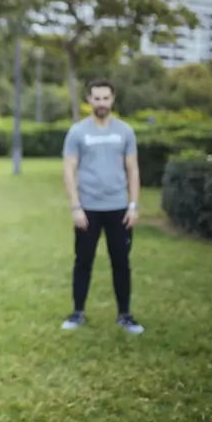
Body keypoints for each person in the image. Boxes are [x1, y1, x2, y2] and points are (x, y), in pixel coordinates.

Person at [61, 79, 144, 334]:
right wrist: (76, 207)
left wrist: (133, 204)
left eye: (105, 98)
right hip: (88, 210)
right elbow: (69, 169)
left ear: (112, 99)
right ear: (89, 100)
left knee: (121, 262)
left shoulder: (125, 131)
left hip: (119, 208)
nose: (101, 103)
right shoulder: (77, 132)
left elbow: (132, 169)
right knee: (83, 261)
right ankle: (77, 313)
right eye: (96, 98)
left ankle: (125, 315)